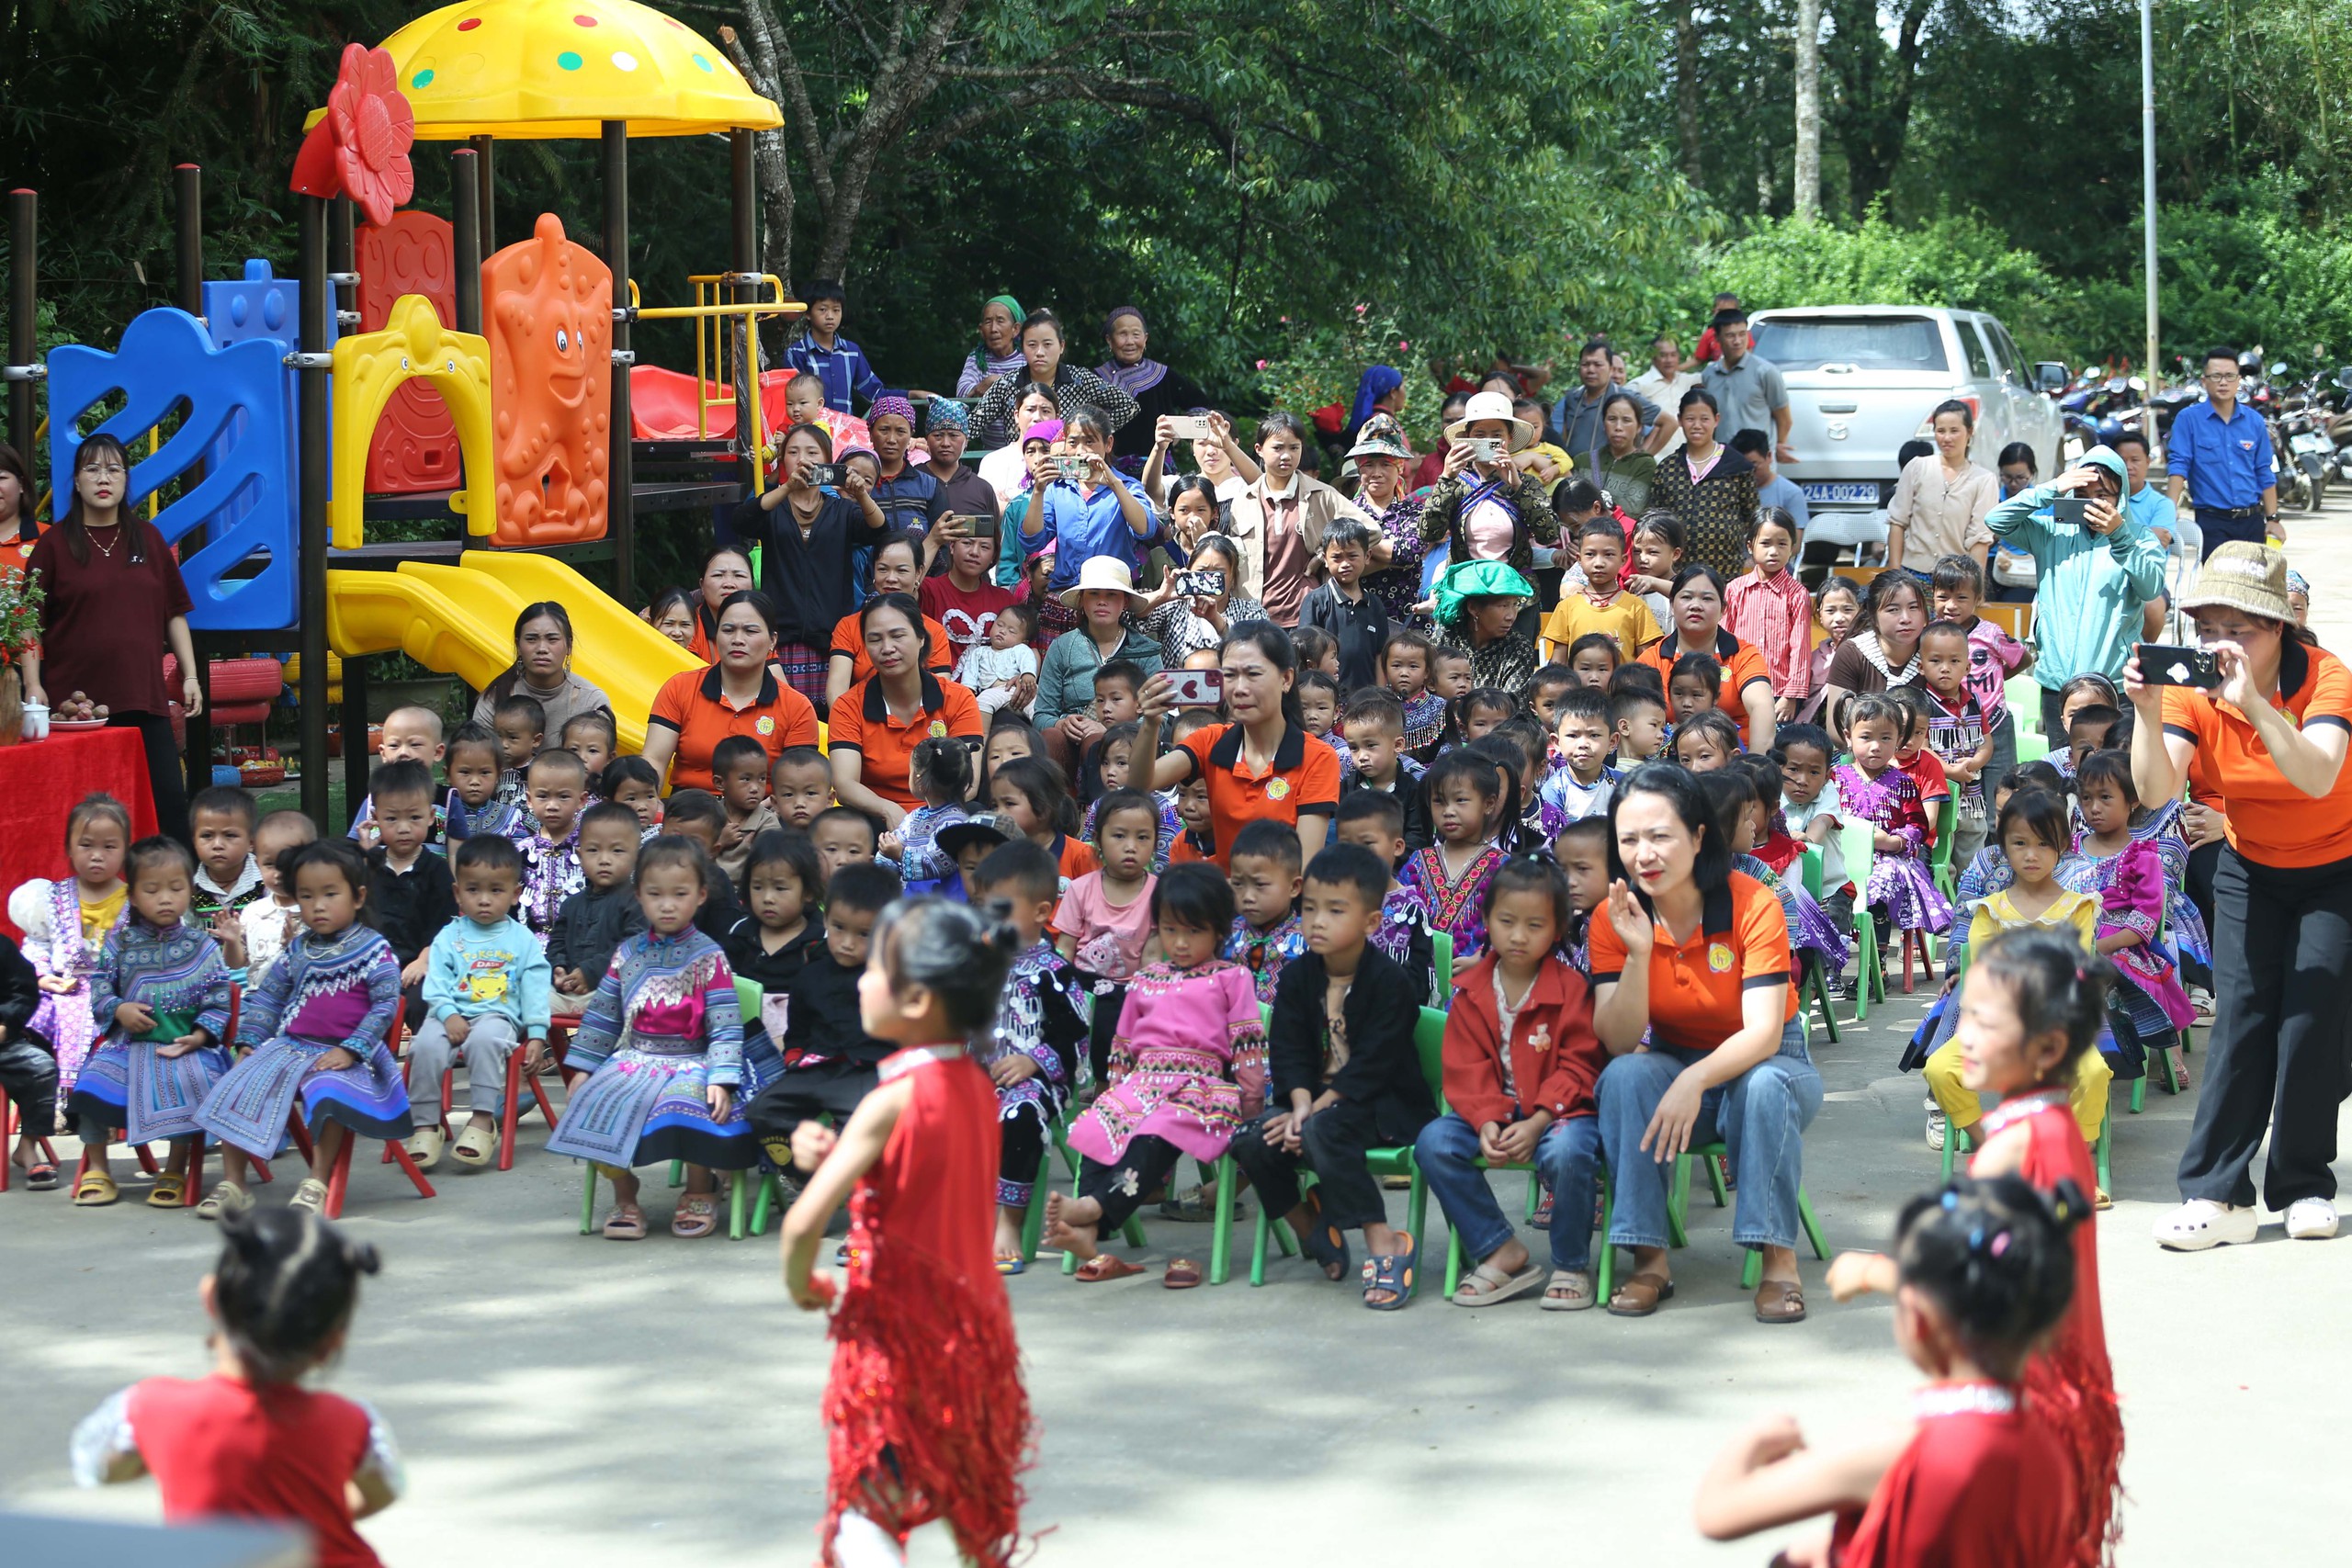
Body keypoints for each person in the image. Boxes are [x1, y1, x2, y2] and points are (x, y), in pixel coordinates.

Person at [779, 897, 1033, 1568]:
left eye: (875, 969)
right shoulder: (978, 1086)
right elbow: (922, 1177)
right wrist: (839, 1152)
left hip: (900, 1346)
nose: (861, 979)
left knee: (867, 1511)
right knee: (969, 1504)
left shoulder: (889, 1099)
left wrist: (804, 1282)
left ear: (916, 998)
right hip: (975, 1336)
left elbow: (802, 1223)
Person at [2123, 543, 2352, 1249]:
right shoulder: (2191, 689)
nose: (2220, 645)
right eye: (2208, 629)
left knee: (2310, 1021)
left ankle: (2304, 1184)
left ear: (2278, 626)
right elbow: (2156, 791)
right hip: (2249, 867)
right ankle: (2217, 1194)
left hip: (2336, 868)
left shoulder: (2327, 677)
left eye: (2239, 630)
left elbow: (2318, 775)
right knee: (2241, 1022)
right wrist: (2145, 710)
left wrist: (2252, 700)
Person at [1696, 1173, 2085, 1568]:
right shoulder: (2051, 1453)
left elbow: (1717, 1512)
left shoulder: (1892, 1451)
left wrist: (1760, 1436)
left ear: (1917, 1319)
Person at [1589, 763, 1823, 1323]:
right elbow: (1619, 1040)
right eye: (1628, 839)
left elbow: (1764, 1033)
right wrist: (1638, 954)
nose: (1644, 854)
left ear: (1697, 837)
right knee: (1624, 1077)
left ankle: (1778, 1262)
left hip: (1770, 1062)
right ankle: (1648, 1261)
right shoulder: (1613, 916)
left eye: (1660, 836)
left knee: (1765, 1086)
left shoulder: (1753, 903)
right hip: (1674, 1059)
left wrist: (1694, 1080)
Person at [73, 1208, 404, 1565]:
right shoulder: (352, 1423)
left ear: (210, 1297)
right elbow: (384, 1490)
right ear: (331, 1344)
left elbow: (96, 1467)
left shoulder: (149, 1408)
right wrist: (296, 1523)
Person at [1227, 843, 1438, 1308]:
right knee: (1249, 1138)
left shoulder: (1391, 983)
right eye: (1309, 909)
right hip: (1315, 1104)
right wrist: (1300, 1104)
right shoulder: (1298, 977)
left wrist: (1313, 1112)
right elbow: (1288, 1050)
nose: (1317, 921)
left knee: (1322, 1129)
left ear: (1371, 922)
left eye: (1335, 911)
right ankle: (1311, 1226)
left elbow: (1375, 1065)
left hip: (1381, 1106)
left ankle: (1384, 1239)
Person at [1048, 861, 1266, 1283]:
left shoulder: (1232, 978)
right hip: (1142, 1085)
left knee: (1156, 1130)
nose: (1180, 943)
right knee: (1099, 1123)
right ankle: (1090, 1229)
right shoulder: (1146, 979)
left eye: (1194, 931)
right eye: (1169, 930)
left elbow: (1247, 1043)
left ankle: (1093, 1209)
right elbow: (1123, 1043)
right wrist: (1116, 1093)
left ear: (1219, 931)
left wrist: (1251, 1105)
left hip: (1201, 1091)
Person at [548, 836, 766, 1240]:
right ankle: (624, 1193)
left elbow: (725, 1024)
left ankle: (699, 1188)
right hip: (635, 1058)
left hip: (695, 1059)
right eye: (655, 894)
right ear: (639, 896)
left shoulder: (710, 956)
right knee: (594, 1102)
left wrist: (721, 1077)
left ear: (700, 895)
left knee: (693, 1102)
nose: (667, 905)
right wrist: (583, 1069)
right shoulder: (627, 954)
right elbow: (604, 1016)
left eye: (679, 894)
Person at [1417, 856, 1611, 1309]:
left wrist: (1539, 1119)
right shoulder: (1471, 992)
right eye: (1507, 922)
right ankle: (1499, 1247)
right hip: (1494, 1111)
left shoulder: (1572, 990)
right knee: (1434, 1142)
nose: (1519, 936)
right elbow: (1465, 1068)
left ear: (1558, 929)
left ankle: (1571, 1262)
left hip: (1559, 1113)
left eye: (1534, 925)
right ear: (1487, 920)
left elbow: (1581, 1066)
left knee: (1569, 1151)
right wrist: (1485, 1120)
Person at [193, 840, 409, 1218]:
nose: (318, 905)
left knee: (328, 1091)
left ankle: (318, 1181)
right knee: (237, 1081)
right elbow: (269, 998)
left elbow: (386, 1005)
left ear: (358, 897)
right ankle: (234, 1184)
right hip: (292, 1046)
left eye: (330, 894)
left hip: (351, 1055)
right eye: (307, 896)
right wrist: (249, 1041)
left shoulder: (376, 950)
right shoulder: (298, 950)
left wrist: (351, 1049)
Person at [19, 433, 204, 841]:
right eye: (92, 469)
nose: (103, 478)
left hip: (143, 697)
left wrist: (189, 675)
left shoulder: (148, 539)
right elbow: (29, 620)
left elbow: (173, 613)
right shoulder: (53, 545)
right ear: (76, 481)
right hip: (76, 708)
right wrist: (33, 684)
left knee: (168, 806)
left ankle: (174, 881)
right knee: (86, 811)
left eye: (113, 469)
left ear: (125, 480)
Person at [65, 837, 232, 1208]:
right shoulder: (120, 944)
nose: (165, 898)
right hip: (128, 1048)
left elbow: (220, 997)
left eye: (176, 888)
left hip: (187, 1048)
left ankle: (175, 1168)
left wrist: (200, 1035)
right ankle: (98, 1168)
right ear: (134, 897)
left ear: (190, 890)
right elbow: (99, 986)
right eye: (152, 890)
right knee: (91, 1083)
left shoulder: (203, 946)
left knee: (190, 1083)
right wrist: (118, 1009)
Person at [1985, 446, 2167, 747]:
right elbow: (1996, 520)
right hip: (2058, 683)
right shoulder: (2052, 533)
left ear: (2120, 497)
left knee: (2112, 769)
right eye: (2084, 494)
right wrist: (2052, 488)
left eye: (2103, 495)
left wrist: (2119, 535)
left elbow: (2150, 588)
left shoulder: (2140, 537)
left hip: (2112, 684)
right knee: (2063, 769)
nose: (2093, 503)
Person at [967, 840, 1088, 1267]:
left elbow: (1076, 1034)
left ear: (1041, 912)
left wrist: (1034, 1060)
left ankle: (1009, 1222)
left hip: (1035, 1086)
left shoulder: (1054, 974)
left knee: (1020, 1118)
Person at [1137, 623, 1342, 867]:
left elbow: (1304, 863)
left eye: (1253, 674)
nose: (1240, 689)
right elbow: (1140, 782)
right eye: (1230, 675)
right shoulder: (1210, 741)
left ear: (1286, 679)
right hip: (1220, 890)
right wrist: (1150, 723)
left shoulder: (1317, 757)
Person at [728, 422, 895, 705]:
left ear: (828, 460)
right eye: (793, 452)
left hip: (832, 641)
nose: (802, 459)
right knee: (780, 713)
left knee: (833, 716)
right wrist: (786, 488)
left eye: (812, 452)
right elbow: (741, 521)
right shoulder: (774, 506)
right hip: (781, 638)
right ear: (783, 460)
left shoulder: (842, 510)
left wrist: (861, 494)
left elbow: (880, 532)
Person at [9, 793, 131, 1108]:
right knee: (33, 1014)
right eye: (86, 845)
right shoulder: (53, 897)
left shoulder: (135, 901)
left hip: (115, 992)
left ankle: (92, 1100)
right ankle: (41, 1092)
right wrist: (41, 976)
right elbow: (37, 943)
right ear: (69, 848)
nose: (97, 856)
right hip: (64, 987)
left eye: (109, 847)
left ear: (125, 850)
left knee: (103, 1021)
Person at [828, 595, 987, 829]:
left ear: (921, 638)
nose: (887, 648)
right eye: (875, 639)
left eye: (897, 636)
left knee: (976, 815)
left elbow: (968, 783)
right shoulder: (848, 706)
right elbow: (845, 785)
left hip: (943, 812)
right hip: (878, 818)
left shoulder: (958, 698)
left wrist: (923, 818)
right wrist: (887, 809)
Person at [640, 590, 822, 794]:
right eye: (728, 630)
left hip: (764, 810)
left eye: (750, 631)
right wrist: (646, 798)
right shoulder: (679, 687)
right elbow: (654, 760)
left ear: (772, 641)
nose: (737, 639)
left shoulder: (796, 706)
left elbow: (798, 787)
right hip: (689, 808)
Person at [1226, 412, 1381, 626]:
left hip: (1307, 616)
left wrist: (1323, 556)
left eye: (1294, 448)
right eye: (1278, 448)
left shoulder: (1322, 495)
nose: (1286, 456)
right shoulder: (1244, 499)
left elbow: (1372, 531)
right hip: (1254, 616)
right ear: (1259, 449)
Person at [1419, 391, 1560, 586]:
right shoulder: (1455, 483)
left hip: (1515, 592)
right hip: (1466, 590)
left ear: (1509, 438)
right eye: (1480, 435)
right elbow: (1428, 533)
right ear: (1467, 438)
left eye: (1496, 436)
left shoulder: (1526, 484)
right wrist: (1446, 478)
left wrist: (1517, 487)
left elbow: (1549, 535)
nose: (1487, 441)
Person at [1032, 558, 1165, 766]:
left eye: (1111, 594)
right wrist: (1061, 724)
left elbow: (1159, 717)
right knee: (1050, 737)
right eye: (1094, 593)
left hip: (1125, 748)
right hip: (1070, 741)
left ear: (1125, 602)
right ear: (1082, 600)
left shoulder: (1146, 650)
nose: (1102, 601)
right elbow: (1042, 714)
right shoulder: (1062, 647)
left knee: (1095, 742)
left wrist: (1112, 730)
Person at [1638, 564, 1777, 750]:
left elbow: (1761, 706)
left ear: (1723, 610)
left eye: (1707, 598)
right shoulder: (1651, 659)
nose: (1696, 605)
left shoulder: (1743, 654)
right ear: (1672, 605)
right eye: (1686, 597)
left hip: (1736, 759)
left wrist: (1754, 762)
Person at [970, 308, 1141, 448]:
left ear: (1061, 346)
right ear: (1022, 348)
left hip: (1069, 468)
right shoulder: (1007, 384)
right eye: (1032, 345)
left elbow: (1129, 406)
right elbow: (973, 424)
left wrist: (1091, 432)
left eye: (1047, 344)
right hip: (1020, 467)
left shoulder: (1080, 379)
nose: (1040, 352)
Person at [2166, 346, 2280, 556]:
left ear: (2239, 380)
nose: (2223, 382)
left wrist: (2273, 519)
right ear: (2204, 381)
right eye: (2216, 376)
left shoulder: (2254, 421)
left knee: (2253, 576)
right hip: (2212, 523)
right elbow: (2179, 466)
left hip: (2252, 522)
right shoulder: (2188, 419)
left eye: (2229, 376)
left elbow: (2264, 471)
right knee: (2218, 577)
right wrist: (2169, 511)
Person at [459, 601, 612, 750]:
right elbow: (479, 758)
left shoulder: (591, 701)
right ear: (518, 646)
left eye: (552, 639)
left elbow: (603, 760)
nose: (542, 648)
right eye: (531, 639)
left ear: (569, 646)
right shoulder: (495, 698)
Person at [1650, 389, 1758, 579]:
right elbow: (1655, 519)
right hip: (1677, 574)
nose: (1697, 425)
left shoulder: (1738, 467)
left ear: (1716, 420)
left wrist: (1751, 557)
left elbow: (1753, 517)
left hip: (1726, 571)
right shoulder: (1667, 469)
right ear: (1680, 420)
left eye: (1704, 419)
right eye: (1690, 419)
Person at [1884, 399, 1998, 572]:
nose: (1947, 438)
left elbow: (1980, 539)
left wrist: (1976, 586)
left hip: (1955, 577)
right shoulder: (1917, 468)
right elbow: (1897, 523)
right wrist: (1894, 575)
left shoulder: (1984, 480)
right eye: (1940, 431)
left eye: (1954, 431)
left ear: (1969, 432)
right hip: (1911, 573)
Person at [1819, 570, 1930, 743]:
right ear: (1873, 616)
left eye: (1914, 607)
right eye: (1893, 609)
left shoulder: (1936, 651)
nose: (1906, 618)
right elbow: (1837, 729)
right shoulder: (1852, 652)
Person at [1724, 510, 1812, 722]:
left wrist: (1791, 696)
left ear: (1792, 548)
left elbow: (1800, 648)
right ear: (1750, 546)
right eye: (1765, 543)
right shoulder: (1735, 589)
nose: (1774, 551)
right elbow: (1723, 640)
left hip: (1779, 693)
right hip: (1738, 688)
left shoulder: (1797, 594)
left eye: (1782, 544)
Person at [1097, 306, 1209, 465]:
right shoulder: (1098, 378)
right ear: (1110, 340)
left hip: (1160, 466)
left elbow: (1201, 404)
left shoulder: (1162, 375)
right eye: (1123, 334)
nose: (1130, 341)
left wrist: (1180, 430)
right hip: (1112, 467)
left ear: (1145, 338)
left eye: (1136, 334)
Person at [1135, 532, 1266, 662]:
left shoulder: (1249, 610)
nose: (1208, 579)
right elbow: (1132, 612)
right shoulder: (1173, 606)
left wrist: (1216, 620)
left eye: (1218, 573)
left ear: (1233, 578)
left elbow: (1257, 652)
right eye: (1201, 571)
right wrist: (1161, 595)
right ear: (1189, 570)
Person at [1298, 520, 1389, 693]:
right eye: (1337, 557)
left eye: (1352, 556)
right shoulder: (1316, 601)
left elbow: (1380, 655)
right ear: (1325, 559)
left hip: (1366, 698)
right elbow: (1306, 653)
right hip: (1327, 697)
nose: (1345, 564)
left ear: (1367, 556)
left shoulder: (1375, 605)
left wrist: (1380, 694)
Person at [1553, 339, 1667, 470]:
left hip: (1606, 475)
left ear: (1610, 369)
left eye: (1598, 364)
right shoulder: (1572, 397)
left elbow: (1668, 423)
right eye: (1585, 364)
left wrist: (1638, 460)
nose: (1591, 370)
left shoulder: (1624, 398)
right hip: (1573, 472)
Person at [1698, 310, 1792, 465]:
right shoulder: (1709, 374)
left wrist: (1780, 446)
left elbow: (1784, 418)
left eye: (1742, 334)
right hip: (1722, 462)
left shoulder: (1765, 372)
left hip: (1758, 465)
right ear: (1717, 338)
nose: (1737, 341)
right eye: (1730, 336)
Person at [783, 279, 885, 414]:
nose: (830, 316)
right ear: (807, 313)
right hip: (811, 427)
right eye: (823, 310)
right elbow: (792, 400)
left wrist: (910, 394)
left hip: (845, 426)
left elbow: (875, 392)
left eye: (836, 310)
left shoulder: (852, 352)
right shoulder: (796, 353)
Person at [912, 398, 1002, 527]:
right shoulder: (912, 481)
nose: (946, 443)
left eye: (954, 435)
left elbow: (993, 536)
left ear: (966, 442)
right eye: (938, 435)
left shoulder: (982, 489)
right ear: (927, 439)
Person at [1589, 391, 1660, 517]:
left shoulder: (1645, 464)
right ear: (1603, 423)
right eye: (1612, 419)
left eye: (1626, 420)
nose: (1618, 427)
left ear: (1639, 427)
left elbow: (1633, 509)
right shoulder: (1584, 461)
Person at [1629, 335, 1699, 458]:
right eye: (1663, 355)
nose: (1669, 360)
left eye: (1673, 355)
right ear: (1653, 357)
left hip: (1686, 460)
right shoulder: (1638, 386)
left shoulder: (1688, 381)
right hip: (1654, 461)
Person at [956, 294, 1028, 399]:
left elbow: (1039, 388)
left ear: (1015, 329)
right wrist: (977, 388)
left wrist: (998, 381)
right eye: (988, 322)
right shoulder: (977, 359)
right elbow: (962, 391)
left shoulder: (1027, 357)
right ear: (981, 330)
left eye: (1000, 321)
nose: (993, 329)